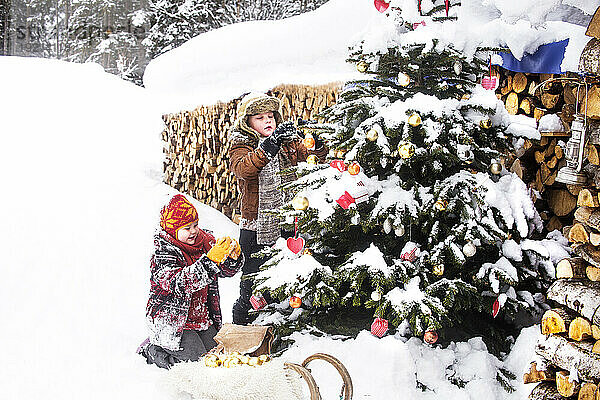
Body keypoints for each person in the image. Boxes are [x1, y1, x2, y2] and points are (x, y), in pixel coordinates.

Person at [228, 93, 327, 325]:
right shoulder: (242, 144)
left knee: (285, 275)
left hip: (287, 220)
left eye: (271, 116)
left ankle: (279, 322)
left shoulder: (288, 142)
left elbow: (313, 156)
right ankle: (242, 323)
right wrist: (269, 147)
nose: (268, 121)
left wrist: (316, 140)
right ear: (248, 122)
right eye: (260, 117)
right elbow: (244, 169)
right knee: (252, 279)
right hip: (256, 226)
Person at [140, 194, 243, 369]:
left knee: (216, 357)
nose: (194, 231)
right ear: (173, 230)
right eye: (187, 228)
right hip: (173, 323)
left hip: (200, 317)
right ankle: (153, 350)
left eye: (195, 225)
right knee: (196, 364)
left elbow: (224, 271)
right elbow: (180, 283)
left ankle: (181, 345)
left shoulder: (204, 241)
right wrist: (210, 262)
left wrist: (232, 258)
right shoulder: (162, 254)